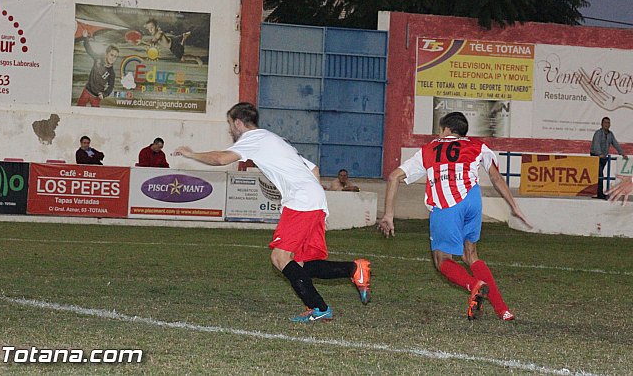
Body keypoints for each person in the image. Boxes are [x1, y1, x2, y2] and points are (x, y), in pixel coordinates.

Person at [175, 102, 371, 323]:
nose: (230, 130)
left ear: (238, 123)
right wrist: (316, 205)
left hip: (302, 201)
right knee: (302, 263)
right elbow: (314, 168)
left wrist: (192, 154)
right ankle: (352, 270)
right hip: (313, 200)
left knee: (279, 258)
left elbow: (220, 159)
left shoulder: (253, 139)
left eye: (230, 125)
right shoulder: (274, 140)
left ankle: (322, 305)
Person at [378, 111, 531, 321]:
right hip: (472, 199)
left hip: (447, 203)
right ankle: (503, 310)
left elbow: (394, 177)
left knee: (442, 260)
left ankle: (474, 286)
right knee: (471, 255)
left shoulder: (430, 148)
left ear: (446, 129)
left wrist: (388, 215)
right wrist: (513, 205)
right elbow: (495, 177)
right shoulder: (478, 146)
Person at [77, 30, 119, 107]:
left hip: (96, 97)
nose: (113, 58)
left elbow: (111, 86)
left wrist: (104, 94)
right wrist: (85, 38)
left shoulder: (111, 73)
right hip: (86, 91)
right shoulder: (98, 58)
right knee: (79, 108)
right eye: (111, 55)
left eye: (115, 56)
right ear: (106, 54)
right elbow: (89, 50)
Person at [590, 117, 628, 200]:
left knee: (599, 175)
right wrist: (599, 154)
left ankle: (598, 193)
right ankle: (599, 194)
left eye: (608, 123)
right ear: (602, 124)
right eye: (605, 122)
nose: (607, 124)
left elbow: (615, 144)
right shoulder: (598, 133)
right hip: (596, 157)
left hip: (603, 157)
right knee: (599, 175)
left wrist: (622, 153)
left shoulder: (610, 134)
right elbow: (596, 144)